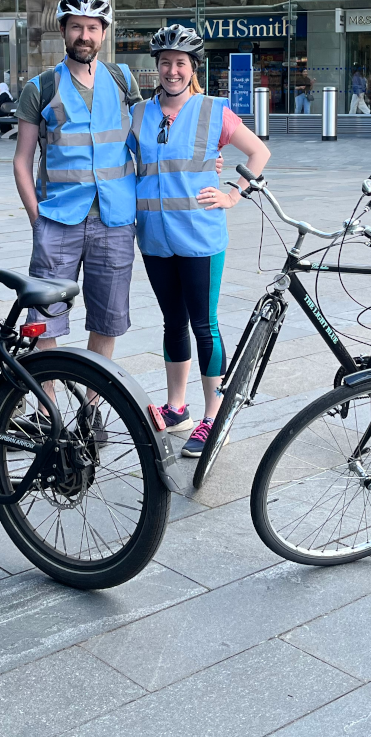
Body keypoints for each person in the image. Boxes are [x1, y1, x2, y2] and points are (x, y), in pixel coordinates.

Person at [131, 24, 270, 457]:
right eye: (165, 62)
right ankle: (177, 408)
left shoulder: (214, 110)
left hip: (200, 238)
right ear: (156, 67)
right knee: (172, 322)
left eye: (180, 63)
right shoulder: (138, 113)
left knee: (203, 325)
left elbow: (259, 151)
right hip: (154, 238)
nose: (172, 70)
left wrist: (233, 194)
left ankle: (215, 416)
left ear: (193, 68)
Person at [12, 0, 143, 367]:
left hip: (114, 220)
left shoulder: (122, 80)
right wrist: (37, 218)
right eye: (75, 27)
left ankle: (91, 405)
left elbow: (147, 142)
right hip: (58, 220)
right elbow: (22, 160)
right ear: (62, 29)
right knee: (43, 321)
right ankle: (48, 402)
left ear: (104, 33)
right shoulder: (41, 87)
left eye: (92, 27)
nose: (83, 36)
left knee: (109, 318)